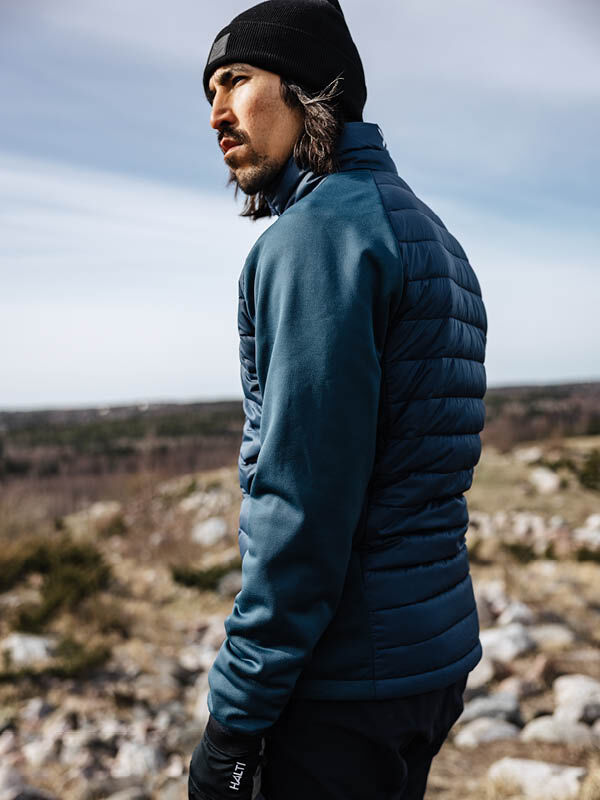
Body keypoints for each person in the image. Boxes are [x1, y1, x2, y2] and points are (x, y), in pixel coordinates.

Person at [188, 1, 487, 798]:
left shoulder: (316, 238)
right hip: (428, 660)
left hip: (343, 682)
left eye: (237, 80)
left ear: (311, 90)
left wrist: (235, 718)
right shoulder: (429, 234)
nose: (216, 112)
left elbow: (304, 504)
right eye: (208, 91)